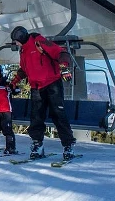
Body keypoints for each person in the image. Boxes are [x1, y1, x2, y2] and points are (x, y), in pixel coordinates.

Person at [10, 26, 76, 161]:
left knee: (58, 114)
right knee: (36, 117)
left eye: (16, 41)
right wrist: (15, 80)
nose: (15, 43)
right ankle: (37, 145)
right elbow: (24, 69)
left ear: (21, 38)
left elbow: (60, 52)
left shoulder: (38, 41)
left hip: (52, 84)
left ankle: (68, 145)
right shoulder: (23, 50)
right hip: (36, 87)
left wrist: (64, 67)